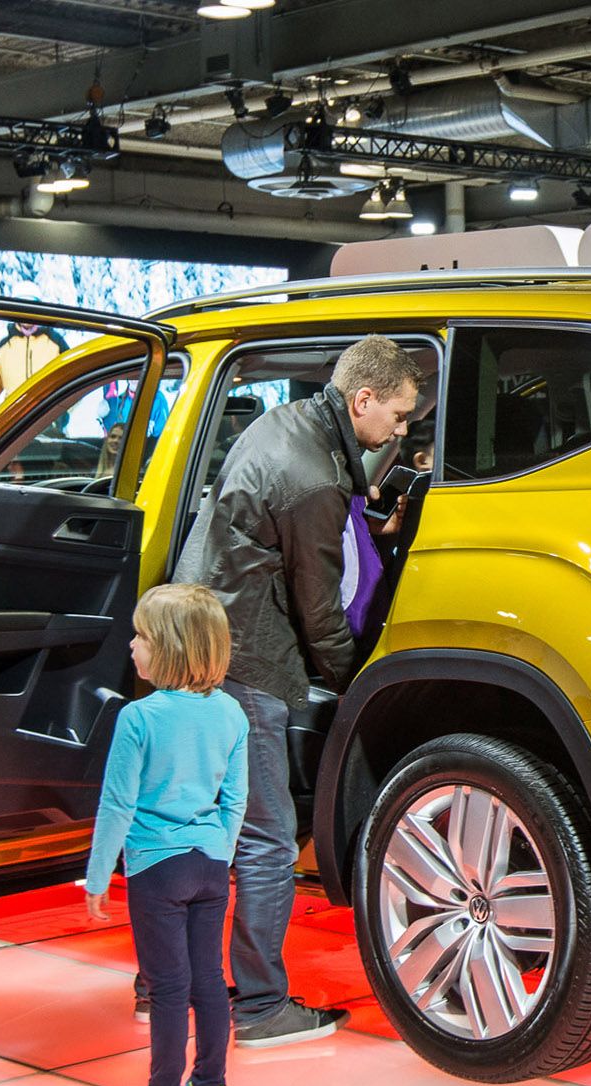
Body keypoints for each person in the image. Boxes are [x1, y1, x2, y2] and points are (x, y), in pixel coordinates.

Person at [174, 334, 423, 1047]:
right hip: (247, 662)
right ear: (362, 399)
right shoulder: (312, 474)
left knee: (201, 829)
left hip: (204, 642)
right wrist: (360, 688)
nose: (399, 433)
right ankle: (258, 1007)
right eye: (398, 417)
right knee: (266, 839)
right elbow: (318, 608)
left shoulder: (282, 427)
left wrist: (373, 521)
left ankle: (162, 986)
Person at [85, 584, 249, 1086]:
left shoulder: (139, 718)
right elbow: (236, 798)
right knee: (209, 978)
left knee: (167, 986)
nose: (132, 645)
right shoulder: (231, 714)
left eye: (142, 636)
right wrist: (220, 850)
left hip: (156, 867)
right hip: (209, 864)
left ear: (170, 649)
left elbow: (118, 801)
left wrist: (97, 873)